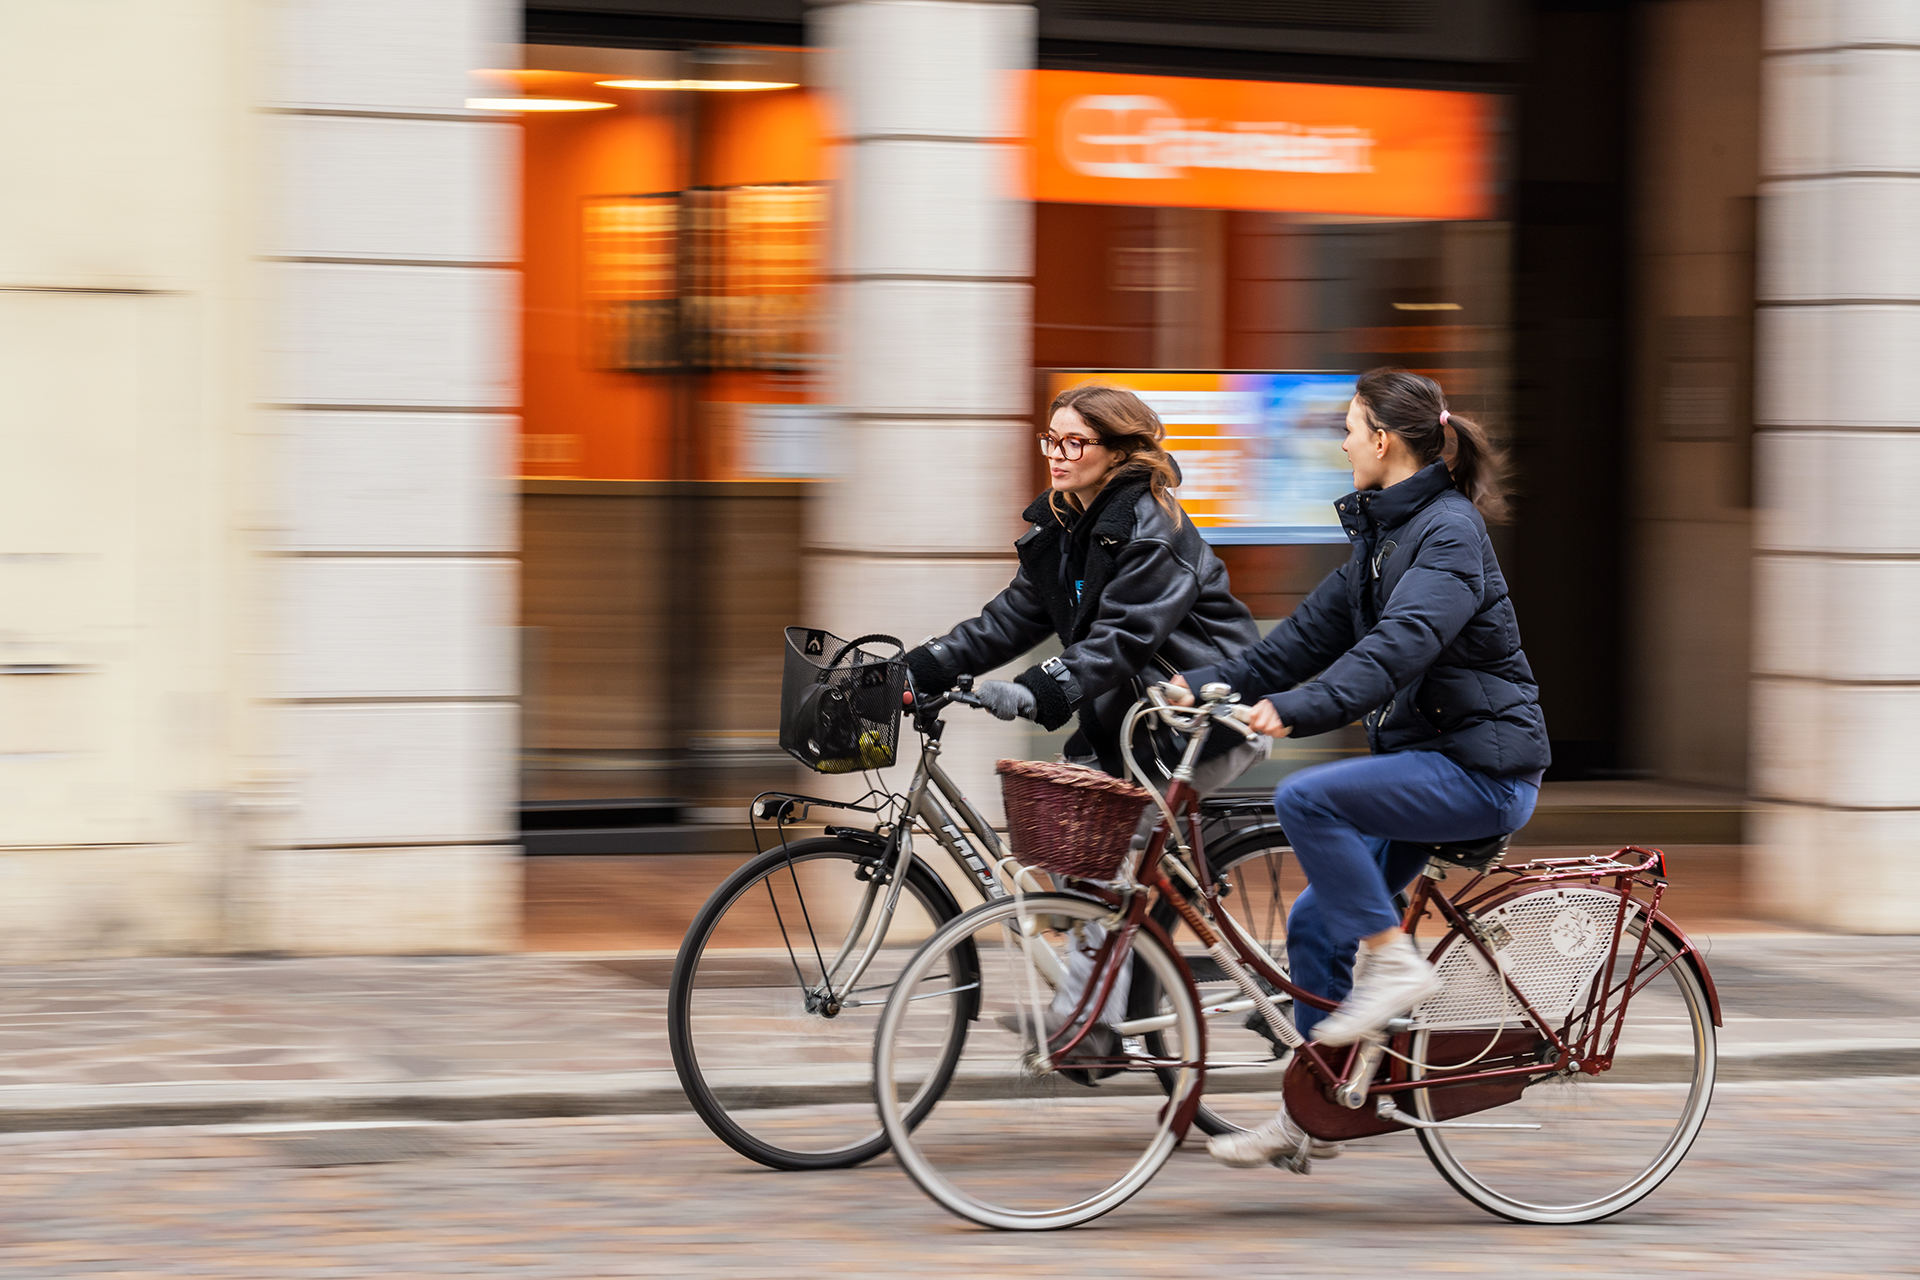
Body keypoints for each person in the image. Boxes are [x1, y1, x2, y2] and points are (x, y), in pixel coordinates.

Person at [1169, 368, 1550, 1172]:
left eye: (1349, 428)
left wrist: (1303, 709)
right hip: (1428, 764)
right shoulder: (1383, 537)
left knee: (1309, 799)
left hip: (1483, 772)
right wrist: (1205, 687)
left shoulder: (1448, 533)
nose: (1342, 443)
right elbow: (1300, 640)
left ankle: (1393, 966)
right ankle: (1316, 1113)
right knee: (1312, 922)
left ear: (1382, 439)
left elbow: (1402, 643)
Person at [903, 383, 1268, 1070]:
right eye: (1051, 439)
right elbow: (1007, 620)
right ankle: (1109, 1000)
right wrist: (918, 667)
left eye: (1075, 442)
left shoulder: (1153, 527)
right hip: (1130, 727)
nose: (1057, 455)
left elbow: (1123, 640)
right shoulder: (1064, 528)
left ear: (1120, 452)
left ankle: (1088, 1028)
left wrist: (1041, 688)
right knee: (1077, 860)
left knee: (1100, 861)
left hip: (1200, 719)